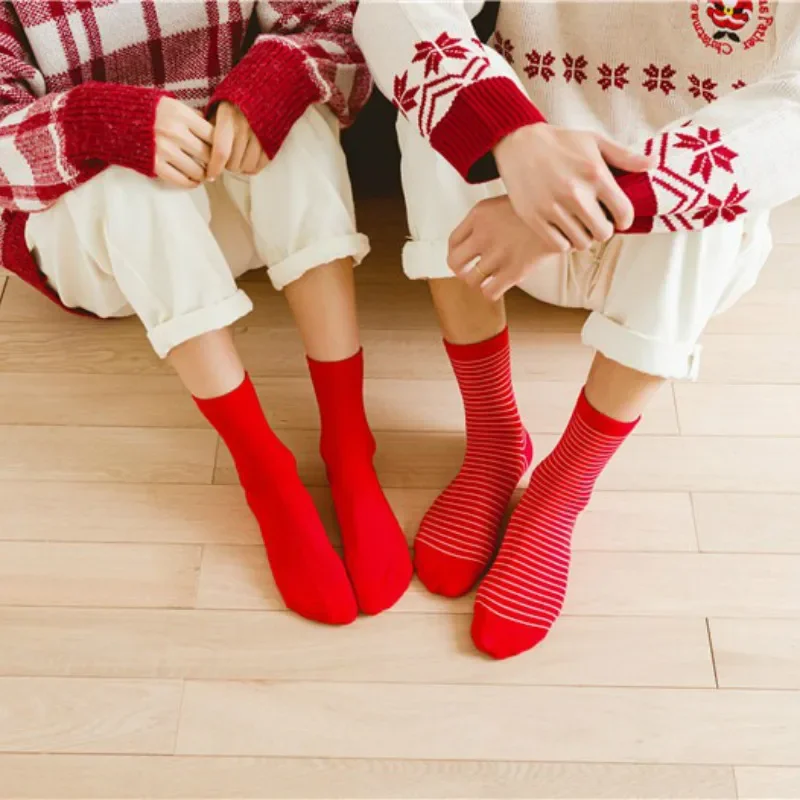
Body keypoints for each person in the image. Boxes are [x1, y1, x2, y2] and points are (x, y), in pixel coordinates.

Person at [354, 0, 800, 658]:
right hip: (515, 207)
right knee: (436, 118)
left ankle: (563, 487)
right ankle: (494, 437)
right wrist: (514, 139)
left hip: (649, 242)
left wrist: (595, 200)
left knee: (723, 183)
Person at [0, 1, 412, 626]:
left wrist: (266, 84)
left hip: (220, 192)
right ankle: (263, 468)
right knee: (126, 184)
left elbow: (336, 22)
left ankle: (348, 440)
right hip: (101, 250)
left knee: (293, 115)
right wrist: (100, 121)